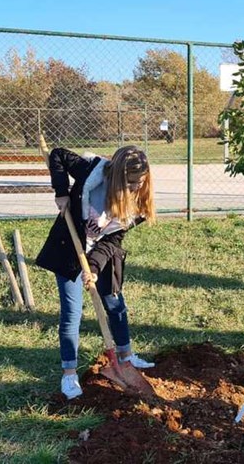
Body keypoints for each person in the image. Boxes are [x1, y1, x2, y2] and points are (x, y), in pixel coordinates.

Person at [35, 145, 157, 400]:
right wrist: (61, 192)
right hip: (69, 250)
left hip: (102, 255)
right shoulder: (93, 171)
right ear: (117, 176)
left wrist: (93, 269)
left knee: (114, 303)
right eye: (132, 182)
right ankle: (69, 374)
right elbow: (57, 154)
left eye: (141, 181)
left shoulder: (138, 202)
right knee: (72, 313)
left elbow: (112, 241)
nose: (137, 187)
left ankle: (126, 357)